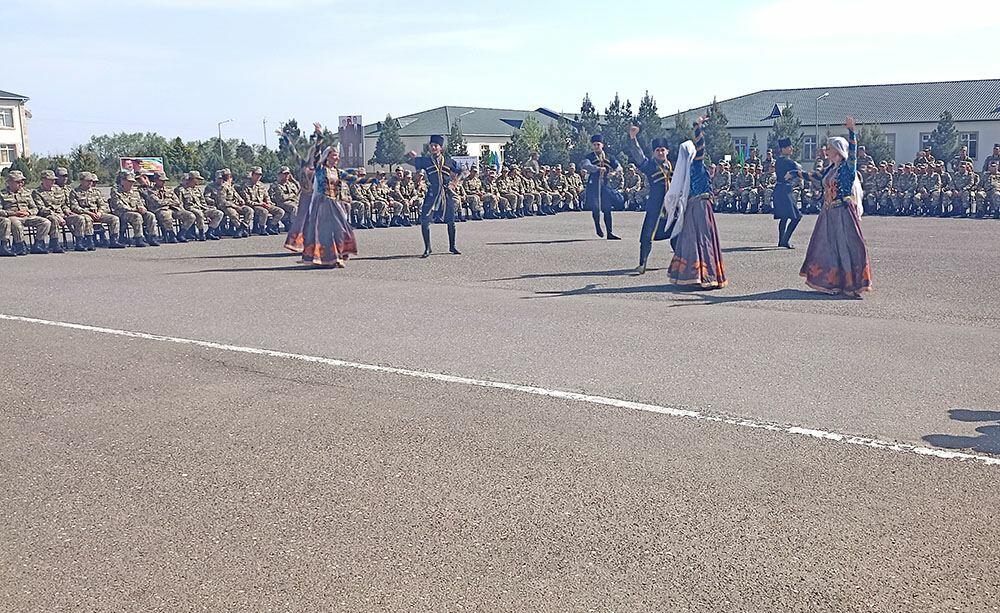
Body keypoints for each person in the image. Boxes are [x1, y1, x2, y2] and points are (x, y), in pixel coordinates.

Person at [786, 117, 871, 298]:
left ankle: (850, 284)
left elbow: (853, 152)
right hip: (828, 212)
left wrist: (852, 132)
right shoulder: (830, 168)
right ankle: (832, 282)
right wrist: (795, 173)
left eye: (830, 148)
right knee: (827, 247)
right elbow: (815, 176)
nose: (826, 150)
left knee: (845, 247)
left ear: (838, 151)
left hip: (843, 213)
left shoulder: (847, 167)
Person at [286, 123, 370, 267]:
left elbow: (354, 179)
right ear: (327, 156)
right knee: (321, 231)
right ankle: (329, 257)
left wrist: (373, 180)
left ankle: (338, 255)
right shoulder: (319, 168)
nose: (337, 158)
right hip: (321, 202)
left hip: (334, 203)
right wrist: (319, 135)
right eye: (334, 155)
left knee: (341, 229)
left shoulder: (337, 171)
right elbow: (314, 152)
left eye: (338, 156)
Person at [661, 116, 727, 289]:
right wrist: (698, 127)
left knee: (691, 239)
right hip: (701, 207)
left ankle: (691, 275)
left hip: (693, 206)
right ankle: (705, 276)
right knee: (704, 239)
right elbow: (701, 147)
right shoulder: (696, 165)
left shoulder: (686, 168)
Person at [625, 124, 672, 274]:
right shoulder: (649, 165)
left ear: (667, 151)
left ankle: (680, 263)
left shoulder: (672, 166)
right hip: (655, 206)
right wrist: (633, 138)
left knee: (677, 233)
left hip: (672, 207)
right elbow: (638, 155)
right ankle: (642, 264)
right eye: (657, 150)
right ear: (653, 153)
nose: (660, 152)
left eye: (662, 150)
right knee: (647, 235)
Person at [406, 135, 463, 258]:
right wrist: (408, 155)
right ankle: (427, 248)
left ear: (440, 148)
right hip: (432, 193)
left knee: (451, 221)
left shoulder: (448, 161)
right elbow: (407, 161)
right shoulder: (425, 161)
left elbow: (460, 171)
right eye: (431, 146)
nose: (433, 148)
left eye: (435, 146)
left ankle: (452, 246)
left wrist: (454, 183)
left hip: (446, 193)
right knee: (425, 220)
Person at [580, 134, 623, 239]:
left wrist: (614, 173)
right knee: (596, 208)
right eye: (594, 145)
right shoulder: (589, 157)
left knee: (607, 208)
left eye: (598, 144)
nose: (596, 146)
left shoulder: (609, 157)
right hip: (593, 185)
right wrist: (597, 168)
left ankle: (610, 233)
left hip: (605, 185)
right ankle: (597, 226)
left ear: (602, 145)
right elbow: (586, 165)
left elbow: (619, 167)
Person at [772, 138, 803, 248]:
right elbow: (798, 172)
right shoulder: (789, 162)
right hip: (785, 191)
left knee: (784, 216)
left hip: (780, 189)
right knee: (797, 216)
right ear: (783, 149)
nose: (792, 149)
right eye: (789, 147)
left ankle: (782, 240)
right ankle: (785, 240)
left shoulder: (778, 161)